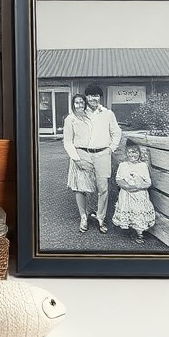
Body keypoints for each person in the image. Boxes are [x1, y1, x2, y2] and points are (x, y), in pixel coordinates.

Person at [69, 83, 122, 232]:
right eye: (91, 95)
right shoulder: (79, 114)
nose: (94, 98)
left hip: (102, 154)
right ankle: (83, 217)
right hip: (83, 154)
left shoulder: (108, 114)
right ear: (86, 97)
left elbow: (116, 132)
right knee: (81, 188)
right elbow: (70, 138)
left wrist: (111, 148)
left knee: (103, 188)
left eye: (97, 95)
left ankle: (100, 218)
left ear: (100, 97)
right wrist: (75, 155)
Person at [61, 94, 96, 233]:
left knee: (93, 185)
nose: (80, 105)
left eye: (82, 102)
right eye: (77, 103)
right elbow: (68, 142)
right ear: (73, 104)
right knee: (80, 187)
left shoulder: (90, 117)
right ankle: (83, 216)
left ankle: (92, 211)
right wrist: (77, 159)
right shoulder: (70, 119)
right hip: (79, 154)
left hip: (93, 154)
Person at [113, 139, 157, 244]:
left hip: (139, 194)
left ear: (139, 153)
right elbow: (119, 179)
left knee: (139, 212)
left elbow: (148, 182)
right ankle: (132, 229)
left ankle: (140, 234)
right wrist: (127, 186)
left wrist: (138, 186)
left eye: (136, 152)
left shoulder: (142, 166)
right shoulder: (123, 165)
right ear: (126, 153)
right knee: (129, 211)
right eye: (130, 152)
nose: (133, 154)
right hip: (126, 194)